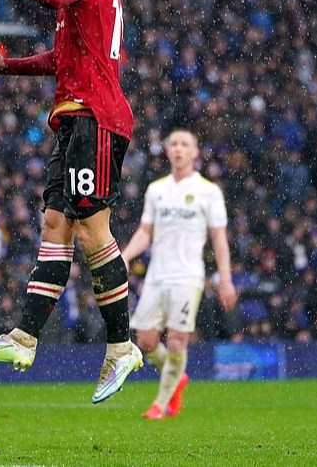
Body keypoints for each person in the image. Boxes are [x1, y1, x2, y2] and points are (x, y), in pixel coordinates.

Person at [0, 0, 143, 403]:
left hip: (96, 118)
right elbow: (57, 60)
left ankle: (121, 346)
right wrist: (7, 65)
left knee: (92, 228)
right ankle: (24, 338)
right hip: (75, 120)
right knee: (56, 225)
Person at [121, 129, 237, 418]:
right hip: (157, 276)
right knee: (146, 341)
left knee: (176, 341)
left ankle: (160, 403)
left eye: (185, 145)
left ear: (195, 152)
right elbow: (145, 232)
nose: (178, 149)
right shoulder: (156, 189)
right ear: (167, 151)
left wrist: (225, 279)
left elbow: (219, 239)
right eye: (173, 144)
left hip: (188, 276)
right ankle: (177, 378)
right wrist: (123, 257)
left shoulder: (208, 191)